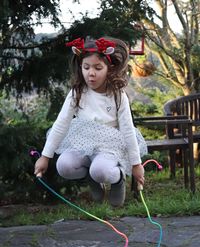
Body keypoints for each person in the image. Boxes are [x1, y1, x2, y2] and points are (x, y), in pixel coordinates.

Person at [34, 36, 145, 207]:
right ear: (80, 67)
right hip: (82, 142)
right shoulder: (77, 93)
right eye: (86, 67)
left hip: (109, 145)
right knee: (64, 166)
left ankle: (117, 179)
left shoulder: (117, 95)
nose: (91, 73)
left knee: (100, 170)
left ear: (109, 69)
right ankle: (92, 179)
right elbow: (61, 124)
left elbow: (128, 130)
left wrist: (136, 164)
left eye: (97, 68)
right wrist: (45, 156)